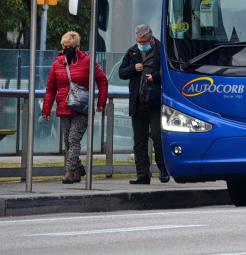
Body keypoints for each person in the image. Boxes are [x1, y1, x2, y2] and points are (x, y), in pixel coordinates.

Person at [41, 31, 108, 184]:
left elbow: (103, 81)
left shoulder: (88, 61)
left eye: (70, 47)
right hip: (64, 107)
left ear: (78, 47)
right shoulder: (58, 64)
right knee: (67, 141)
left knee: (73, 139)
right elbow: (51, 88)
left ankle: (69, 171)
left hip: (81, 108)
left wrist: (101, 103)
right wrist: (46, 109)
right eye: (64, 47)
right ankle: (78, 169)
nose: (66, 50)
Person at [119, 24, 168, 185]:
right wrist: (133, 68)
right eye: (139, 41)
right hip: (137, 102)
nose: (141, 44)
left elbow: (169, 71)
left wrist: (155, 77)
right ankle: (142, 174)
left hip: (155, 103)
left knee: (157, 137)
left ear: (151, 38)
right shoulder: (132, 52)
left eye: (144, 41)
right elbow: (121, 72)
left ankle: (163, 170)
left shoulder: (161, 50)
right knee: (139, 142)